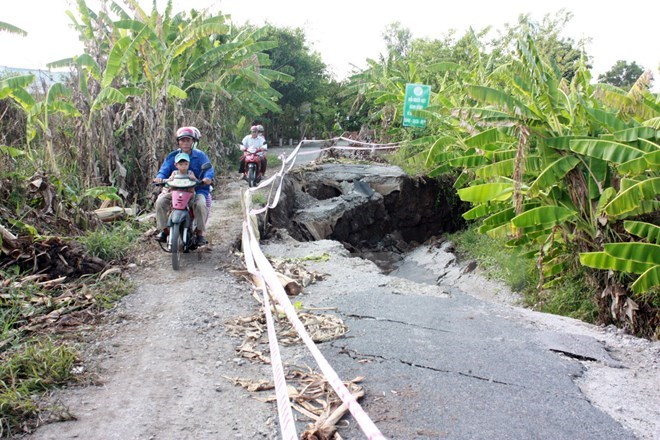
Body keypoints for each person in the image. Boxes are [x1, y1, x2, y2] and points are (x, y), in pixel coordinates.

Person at [153, 126, 214, 245]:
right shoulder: (172, 156)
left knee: (201, 205)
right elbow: (164, 170)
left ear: (193, 142)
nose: (185, 143)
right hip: (175, 190)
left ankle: (200, 233)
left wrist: (207, 178)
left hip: (196, 190)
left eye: (188, 140)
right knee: (160, 202)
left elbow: (209, 169)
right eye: (182, 140)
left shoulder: (200, 156)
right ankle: (164, 230)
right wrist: (159, 177)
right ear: (178, 142)